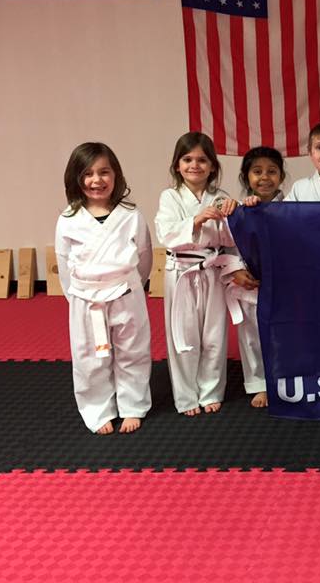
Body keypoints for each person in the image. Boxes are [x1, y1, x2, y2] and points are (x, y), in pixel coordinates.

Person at [55, 142, 152, 434]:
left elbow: (145, 257)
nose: (96, 180)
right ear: (76, 178)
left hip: (125, 290)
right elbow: (63, 265)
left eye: (104, 172)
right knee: (89, 356)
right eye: (87, 174)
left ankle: (133, 405)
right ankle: (98, 410)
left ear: (116, 175)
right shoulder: (68, 220)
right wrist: (76, 295)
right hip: (86, 296)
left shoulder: (131, 215)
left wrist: (131, 285)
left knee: (132, 351)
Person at [155, 132, 239, 416]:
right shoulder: (169, 197)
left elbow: (230, 238)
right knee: (182, 333)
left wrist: (233, 214)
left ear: (213, 166)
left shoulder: (221, 197)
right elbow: (166, 234)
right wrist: (197, 218)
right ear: (177, 165)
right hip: (180, 271)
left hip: (212, 270)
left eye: (202, 160)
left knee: (214, 333)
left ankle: (211, 390)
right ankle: (186, 396)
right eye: (187, 159)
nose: (195, 165)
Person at [227, 146, 287, 408]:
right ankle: (258, 383)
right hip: (251, 282)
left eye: (272, 171)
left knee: (285, 333)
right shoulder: (238, 212)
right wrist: (237, 269)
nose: (265, 177)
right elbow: (228, 245)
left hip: (286, 281)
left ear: (282, 177)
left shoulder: (293, 209)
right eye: (257, 171)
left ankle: (285, 379)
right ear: (245, 177)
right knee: (252, 335)